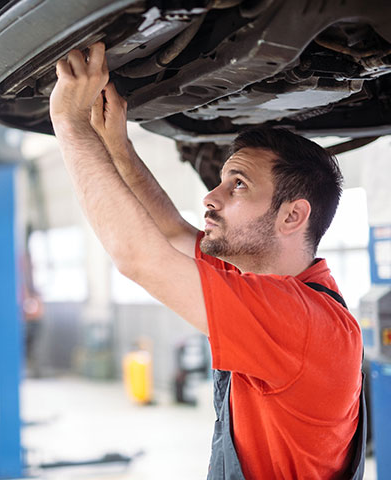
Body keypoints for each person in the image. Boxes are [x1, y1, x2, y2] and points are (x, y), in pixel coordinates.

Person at [49, 43, 365, 479]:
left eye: (237, 185)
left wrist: (68, 124)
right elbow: (173, 234)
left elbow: (142, 258)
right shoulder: (259, 280)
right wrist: (117, 146)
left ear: (293, 215)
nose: (210, 198)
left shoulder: (302, 321)